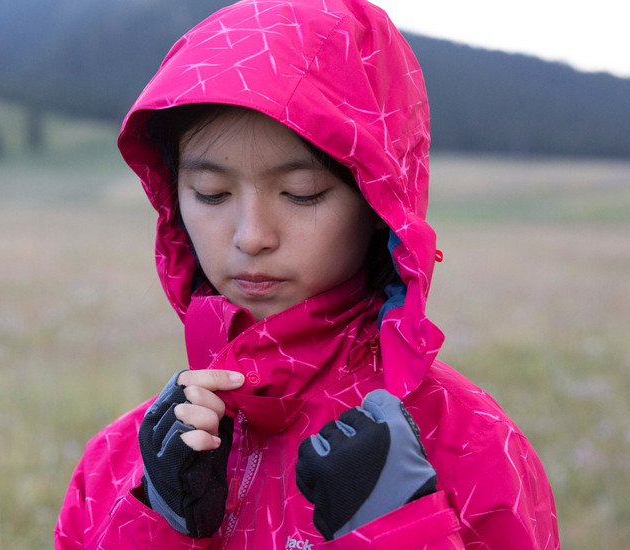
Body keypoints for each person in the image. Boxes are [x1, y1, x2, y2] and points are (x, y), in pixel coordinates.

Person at [55, 0, 559, 548]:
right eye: (212, 193)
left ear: (379, 206)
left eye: (302, 194)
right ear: (173, 199)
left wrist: (400, 531)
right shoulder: (121, 460)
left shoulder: (470, 445)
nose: (251, 236)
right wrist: (156, 524)